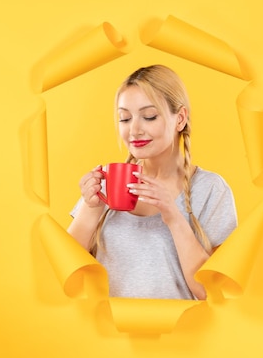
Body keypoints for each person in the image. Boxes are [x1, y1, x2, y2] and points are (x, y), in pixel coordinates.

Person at [67, 65, 237, 300]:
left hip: (183, 334)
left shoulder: (210, 190)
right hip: (107, 334)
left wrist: (173, 216)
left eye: (149, 116)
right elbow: (64, 276)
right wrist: (91, 208)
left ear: (180, 119)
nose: (134, 130)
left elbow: (212, 292)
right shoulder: (108, 184)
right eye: (124, 118)